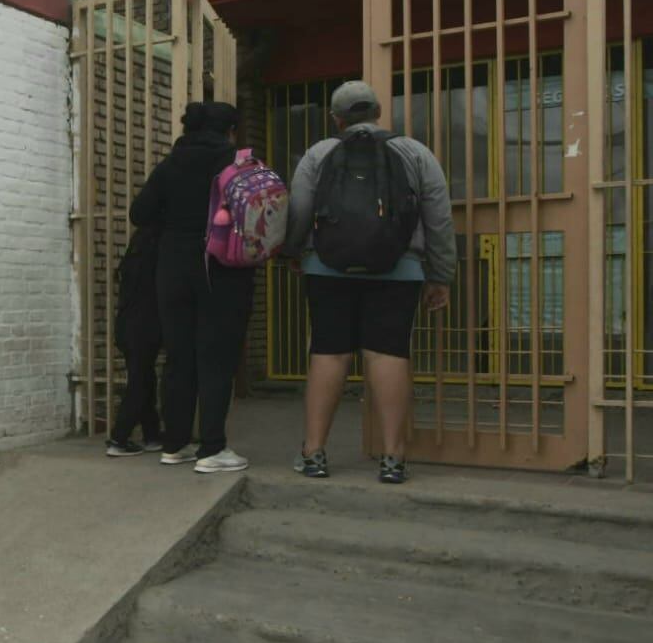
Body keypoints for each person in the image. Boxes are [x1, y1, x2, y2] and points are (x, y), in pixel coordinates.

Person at [284, 80, 455, 485]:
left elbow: (300, 210)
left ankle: (313, 454)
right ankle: (393, 459)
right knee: (388, 353)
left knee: (329, 352)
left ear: (336, 118)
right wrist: (441, 274)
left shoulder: (319, 153)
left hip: (327, 269)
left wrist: (293, 253)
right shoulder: (415, 152)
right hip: (398, 270)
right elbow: (439, 219)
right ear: (379, 112)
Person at [130, 101, 255, 474]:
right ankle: (212, 448)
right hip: (222, 269)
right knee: (216, 358)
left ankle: (176, 443)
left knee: (179, 356)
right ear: (231, 130)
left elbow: (140, 213)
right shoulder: (238, 164)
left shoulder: (171, 164)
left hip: (173, 270)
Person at [105, 224, 164, 457]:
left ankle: (151, 434)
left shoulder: (133, 258)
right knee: (140, 383)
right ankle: (119, 438)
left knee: (144, 378)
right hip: (145, 326)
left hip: (126, 325)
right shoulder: (156, 256)